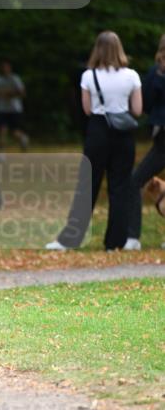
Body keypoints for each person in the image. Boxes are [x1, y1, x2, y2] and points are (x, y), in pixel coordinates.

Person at [46, 30, 142, 251]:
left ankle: (69, 239)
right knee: (119, 187)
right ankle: (115, 243)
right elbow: (137, 109)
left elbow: (87, 110)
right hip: (124, 135)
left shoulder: (89, 76)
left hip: (98, 131)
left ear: (97, 50)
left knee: (87, 185)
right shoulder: (132, 76)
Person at [125, 34, 165, 249]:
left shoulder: (154, 72)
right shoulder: (154, 73)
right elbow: (147, 104)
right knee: (136, 181)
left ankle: (132, 238)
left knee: (135, 181)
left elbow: (148, 106)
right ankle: (132, 237)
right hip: (162, 141)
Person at [0, 60, 29, 151]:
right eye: (2, 67)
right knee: (2, 131)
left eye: (6, 67)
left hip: (14, 109)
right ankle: (1, 154)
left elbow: (22, 93)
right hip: (2, 109)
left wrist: (8, 94)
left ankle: (23, 138)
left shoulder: (15, 78)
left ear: (9, 68)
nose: (4, 69)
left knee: (14, 132)